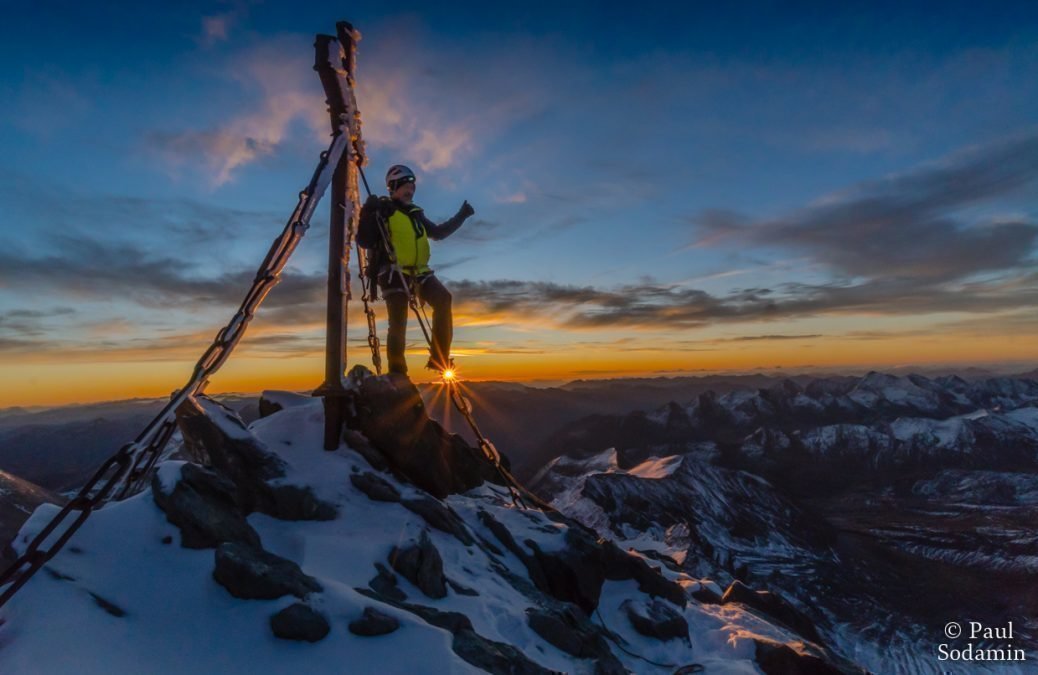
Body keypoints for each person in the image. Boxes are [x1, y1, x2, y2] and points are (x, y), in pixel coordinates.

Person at [357, 164, 475, 376]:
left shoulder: (415, 214)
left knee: (443, 299)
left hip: (420, 272)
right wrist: (368, 211)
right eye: (405, 186)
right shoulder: (382, 210)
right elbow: (364, 240)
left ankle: (439, 359)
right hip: (393, 272)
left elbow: (438, 233)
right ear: (393, 187)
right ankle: (397, 373)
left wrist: (462, 215)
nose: (410, 191)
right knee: (398, 320)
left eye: (412, 187)